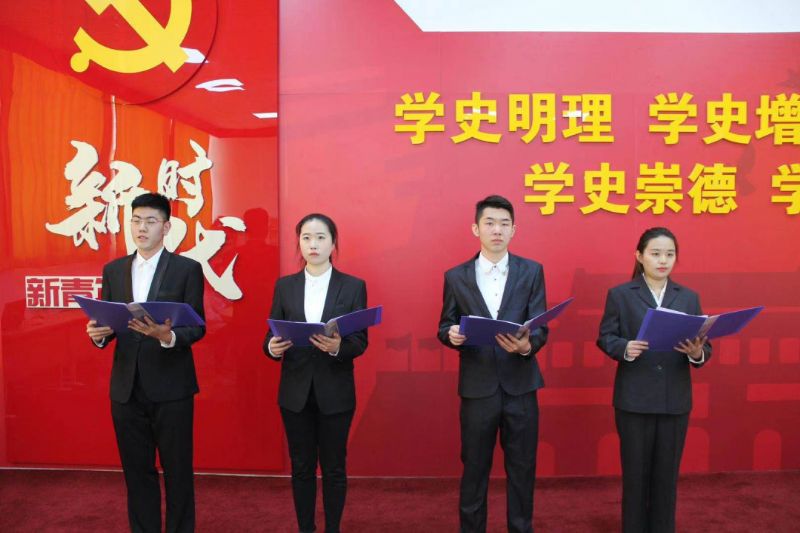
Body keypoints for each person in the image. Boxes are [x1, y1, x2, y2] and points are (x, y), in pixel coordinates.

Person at [85, 192, 206, 533]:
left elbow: (197, 327)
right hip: (126, 388)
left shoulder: (187, 269)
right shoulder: (114, 270)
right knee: (136, 473)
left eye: (150, 221)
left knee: (178, 471)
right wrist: (98, 334)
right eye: (136, 220)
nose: (142, 228)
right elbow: (109, 324)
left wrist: (166, 336)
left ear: (166, 227)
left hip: (172, 387)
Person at [438, 195, 548, 533]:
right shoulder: (456, 276)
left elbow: (540, 326)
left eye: (504, 224)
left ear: (514, 230)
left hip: (521, 385)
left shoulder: (532, 271)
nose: (497, 230)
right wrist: (452, 335)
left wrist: (528, 345)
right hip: (478, 387)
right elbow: (444, 325)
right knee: (474, 469)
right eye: (489, 223)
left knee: (522, 469)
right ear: (476, 229)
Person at [596, 227, 712, 533]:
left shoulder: (688, 297)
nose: (663, 260)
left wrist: (697, 353)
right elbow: (605, 337)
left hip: (675, 400)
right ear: (639, 256)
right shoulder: (621, 295)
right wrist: (625, 348)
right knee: (635, 476)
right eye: (656, 253)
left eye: (670, 254)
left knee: (666, 478)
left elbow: (705, 345)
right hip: (634, 400)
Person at [263, 213, 368, 533]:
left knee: (334, 468)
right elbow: (270, 334)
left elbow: (360, 341)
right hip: (295, 393)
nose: (313, 244)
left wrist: (337, 347)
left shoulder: (353, 286)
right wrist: (272, 347)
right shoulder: (285, 286)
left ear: (333, 243)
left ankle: (333, 528)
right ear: (299, 243)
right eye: (306, 237)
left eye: (321, 237)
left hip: (336, 391)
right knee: (302, 468)